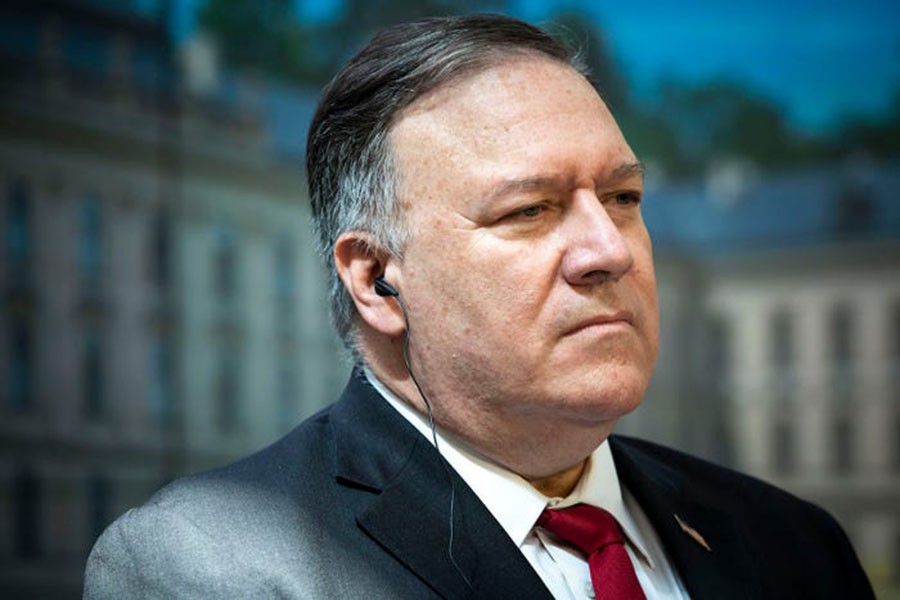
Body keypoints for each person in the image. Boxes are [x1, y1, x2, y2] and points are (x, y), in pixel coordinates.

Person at [84, 14, 874, 599]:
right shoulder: (211, 565)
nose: (611, 250)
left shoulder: (794, 546)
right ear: (376, 280)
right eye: (530, 209)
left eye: (624, 197)